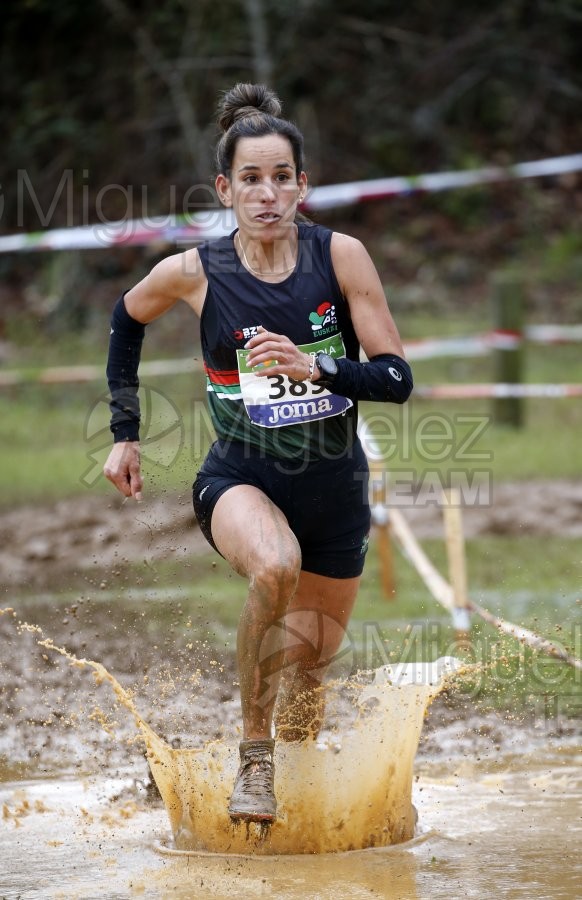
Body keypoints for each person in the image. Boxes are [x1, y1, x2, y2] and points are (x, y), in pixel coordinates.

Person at [103, 82, 413, 825]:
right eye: (251, 179)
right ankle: (252, 758)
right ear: (225, 189)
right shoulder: (196, 273)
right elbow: (126, 317)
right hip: (240, 479)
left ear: (302, 186)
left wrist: (320, 367)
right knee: (274, 565)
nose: (267, 193)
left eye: (282, 178)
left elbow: (397, 379)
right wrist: (125, 429)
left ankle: (298, 813)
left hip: (335, 493)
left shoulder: (341, 257)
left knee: (309, 672)